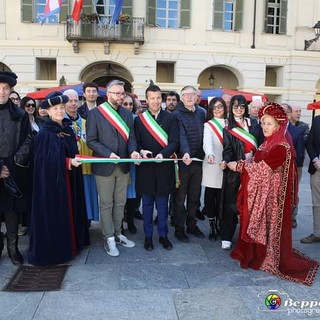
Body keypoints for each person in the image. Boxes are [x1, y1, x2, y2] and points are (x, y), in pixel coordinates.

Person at [228, 103, 319, 286]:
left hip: (273, 198)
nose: (265, 127)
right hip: (264, 194)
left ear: (278, 125)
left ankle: (267, 256)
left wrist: (238, 166)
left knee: (269, 226)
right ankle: (257, 251)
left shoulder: (281, 146)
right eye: (263, 123)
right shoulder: (268, 142)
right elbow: (256, 160)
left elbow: (262, 169)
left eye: (269, 123)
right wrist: (243, 162)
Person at [28, 92, 90, 266]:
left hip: (70, 180)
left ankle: (72, 244)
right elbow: (44, 163)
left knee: (71, 209)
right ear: (47, 111)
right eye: (55, 108)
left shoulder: (67, 129)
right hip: (51, 185)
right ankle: (57, 251)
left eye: (62, 108)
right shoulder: (44, 134)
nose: (60, 111)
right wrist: (69, 162)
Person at [86, 80, 140, 257]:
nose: (120, 96)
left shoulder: (126, 114)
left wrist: (133, 151)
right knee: (106, 204)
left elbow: (131, 137)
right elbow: (91, 140)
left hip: (123, 165)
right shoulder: (95, 114)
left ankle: (118, 234)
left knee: (120, 203)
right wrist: (108, 154)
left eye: (122, 93)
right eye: (117, 93)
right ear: (108, 94)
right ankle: (108, 238)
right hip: (104, 165)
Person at [135, 85, 178, 251]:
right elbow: (136, 142)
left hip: (164, 167)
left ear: (162, 99)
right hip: (145, 168)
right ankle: (147, 236)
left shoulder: (171, 118)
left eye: (158, 98)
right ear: (147, 99)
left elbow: (175, 141)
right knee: (146, 205)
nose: (155, 101)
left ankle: (163, 235)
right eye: (152, 98)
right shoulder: (139, 120)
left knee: (162, 205)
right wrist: (141, 150)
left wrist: (164, 154)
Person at [220, 95, 261, 250]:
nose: (239, 109)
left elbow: (261, 145)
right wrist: (226, 161)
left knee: (251, 203)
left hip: (253, 170)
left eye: (242, 106)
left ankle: (248, 235)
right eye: (236, 106)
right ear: (231, 108)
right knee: (231, 203)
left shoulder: (255, 125)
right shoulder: (228, 126)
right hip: (234, 169)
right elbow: (227, 149)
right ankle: (226, 236)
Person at [0, 71, 31, 265]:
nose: (1, 92)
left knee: (11, 211)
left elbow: (28, 141)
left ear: (11, 90)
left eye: (5, 88)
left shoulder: (20, 115)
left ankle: (13, 248)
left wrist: (10, 165)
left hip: (12, 170)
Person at [173, 85, 206, 242]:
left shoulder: (202, 113)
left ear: (196, 97)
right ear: (181, 97)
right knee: (180, 198)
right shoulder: (176, 114)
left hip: (199, 162)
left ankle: (192, 225)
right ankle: (179, 228)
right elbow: (181, 136)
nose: (189, 97)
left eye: (192, 94)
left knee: (195, 197)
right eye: (186, 95)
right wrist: (185, 152)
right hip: (183, 162)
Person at [64, 89, 99, 222]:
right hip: (71, 168)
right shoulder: (62, 123)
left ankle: (87, 222)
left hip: (88, 167)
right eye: (70, 101)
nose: (73, 104)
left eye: (75, 101)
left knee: (88, 199)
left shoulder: (86, 121)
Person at [202, 97, 227, 241]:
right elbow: (207, 142)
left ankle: (220, 222)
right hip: (212, 163)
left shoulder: (230, 123)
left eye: (220, 106)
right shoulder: (208, 125)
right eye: (214, 107)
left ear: (224, 107)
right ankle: (212, 224)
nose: (217, 109)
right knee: (211, 196)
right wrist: (209, 153)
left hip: (227, 163)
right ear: (211, 110)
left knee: (223, 196)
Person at [300, 115, 320, 244]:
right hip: (318, 168)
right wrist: (315, 159)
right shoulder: (317, 120)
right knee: (317, 203)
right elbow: (310, 143)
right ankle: (318, 233)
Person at [122, 93, 138, 234]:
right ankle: (119, 222)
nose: (128, 106)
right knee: (119, 194)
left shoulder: (136, 119)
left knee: (132, 193)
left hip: (133, 161)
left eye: (130, 104)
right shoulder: (115, 119)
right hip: (119, 160)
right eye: (125, 104)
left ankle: (131, 220)